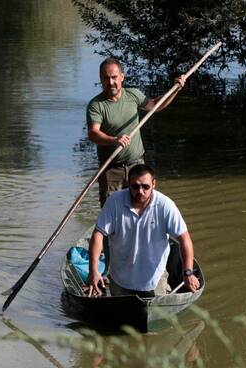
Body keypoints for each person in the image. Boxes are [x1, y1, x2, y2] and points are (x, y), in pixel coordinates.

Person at [87, 164, 200, 297]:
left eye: (145, 187)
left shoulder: (165, 205)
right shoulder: (114, 202)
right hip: (121, 281)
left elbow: (184, 238)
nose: (140, 191)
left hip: (155, 280)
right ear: (128, 183)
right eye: (135, 186)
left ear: (153, 184)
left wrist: (188, 272)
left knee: (159, 315)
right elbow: (98, 235)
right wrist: (93, 270)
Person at [87, 58, 186, 206]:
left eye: (114, 77)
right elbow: (93, 133)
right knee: (111, 211)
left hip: (137, 165)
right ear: (101, 79)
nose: (111, 82)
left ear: (122, 77)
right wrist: (114, 140)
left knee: (143, 206)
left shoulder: (133, 95)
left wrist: (175, 89)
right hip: (111, 169)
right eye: (106, 78)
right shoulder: (96, 105)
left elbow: (155, 106)